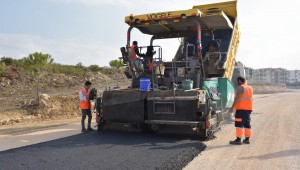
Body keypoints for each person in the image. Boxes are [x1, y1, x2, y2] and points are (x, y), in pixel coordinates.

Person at [229, 76, 253, 145]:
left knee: (239, 124)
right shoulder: (250, 88)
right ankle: (247, 139)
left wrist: (232, 107)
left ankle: (238, 140)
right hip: (248, 109)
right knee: (247, 124)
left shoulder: (240, 88)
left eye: (237, 81)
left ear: (239, 81)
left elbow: (237, 99)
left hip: (241, 109)